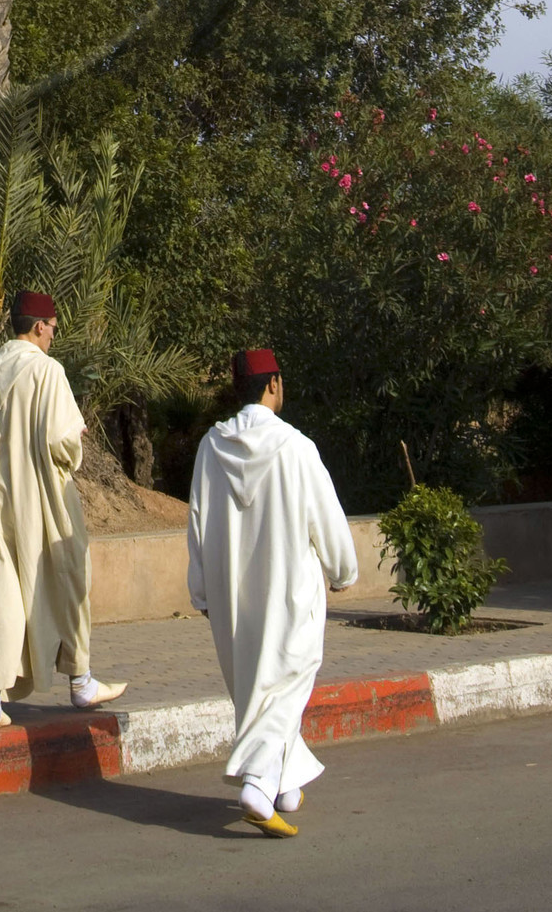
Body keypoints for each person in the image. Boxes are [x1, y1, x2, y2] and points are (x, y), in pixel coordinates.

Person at [187, 347, 358, 838]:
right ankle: (258, 787)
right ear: (274, 384)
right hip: (289, 595)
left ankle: (285, 783)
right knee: (285, 685)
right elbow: (327, 518)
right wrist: (343, 571)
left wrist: (201, 590)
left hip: (232, 598)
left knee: (257, 689)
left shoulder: (209, 447)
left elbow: (196, 523)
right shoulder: (296, 447)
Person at [0, 288, 127, 732]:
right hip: (39, 496)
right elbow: (60, 442)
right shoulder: (47, 371)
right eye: (53, 328)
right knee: (69, 575)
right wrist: (79, 438)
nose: (54, 337)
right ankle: (81, 681)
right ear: (39, 326)